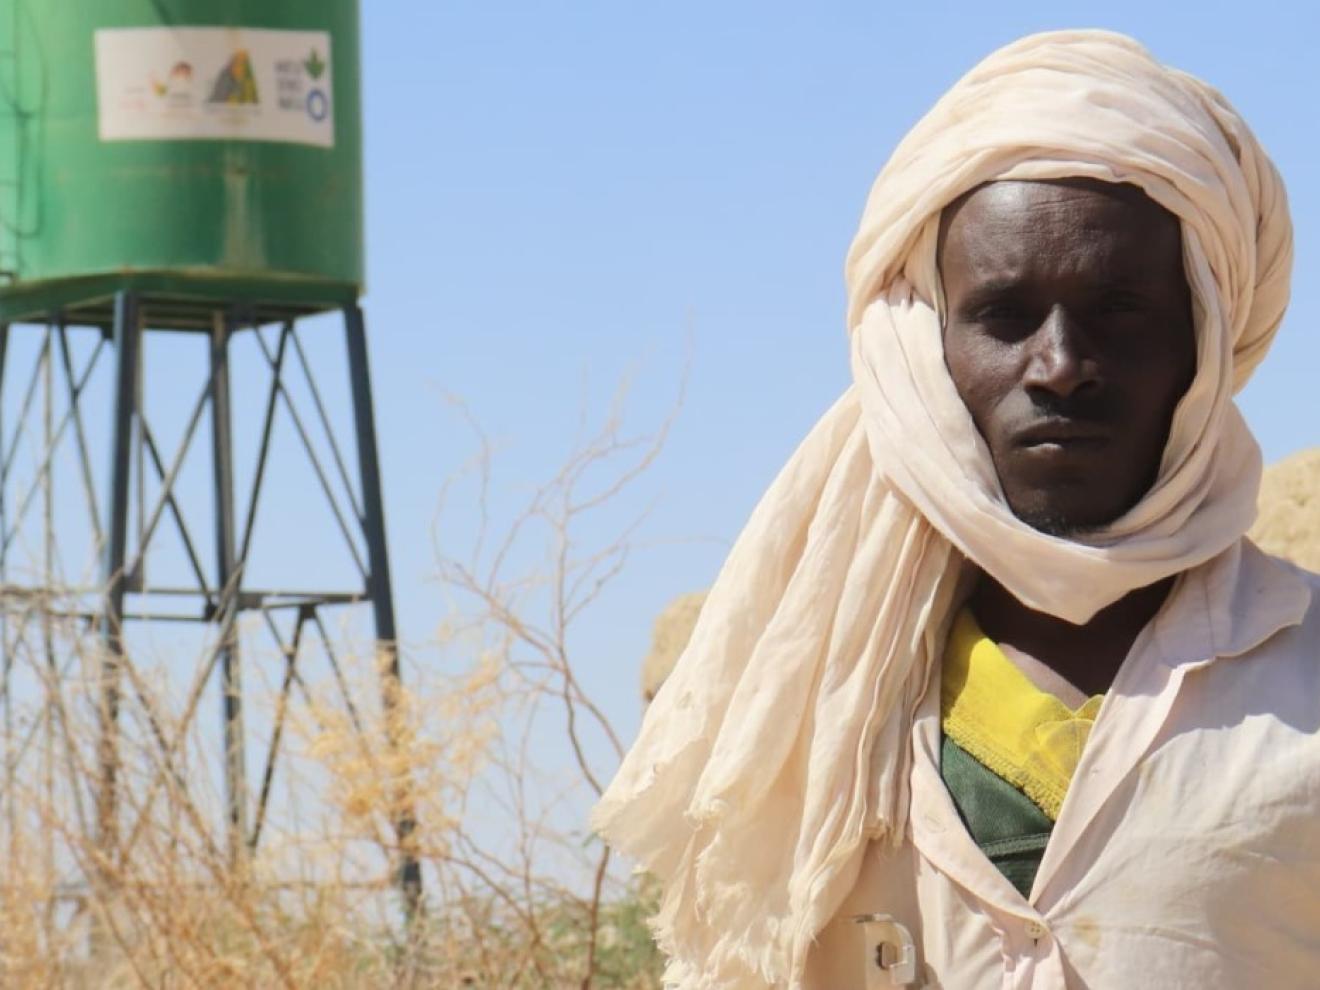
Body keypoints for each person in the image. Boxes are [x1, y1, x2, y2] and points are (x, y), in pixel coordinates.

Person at [592, 29, 1320, 990]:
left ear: (1206, 340)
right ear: (926, 350)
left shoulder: (1298, 671)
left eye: (1121, 311)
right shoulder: (814, 691)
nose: (1059, 366)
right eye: (1006, 317)